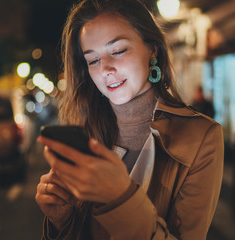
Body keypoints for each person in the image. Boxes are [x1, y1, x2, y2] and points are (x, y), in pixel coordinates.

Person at [35, 0, 224, 239]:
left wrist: (119, 197)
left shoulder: (200, 136)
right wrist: (61, 222)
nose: (105, 69)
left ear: (152, 48)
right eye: (93, 60)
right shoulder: (85, 131)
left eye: (118, 50)